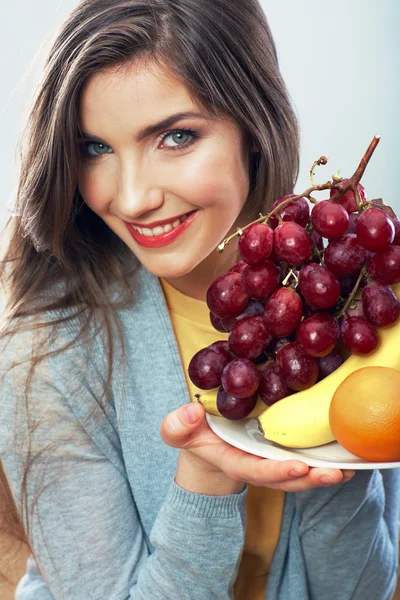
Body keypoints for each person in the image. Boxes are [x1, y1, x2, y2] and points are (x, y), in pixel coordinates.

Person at [0, 0, 398, 598]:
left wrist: (339, 462)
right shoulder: (46, 346)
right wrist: (206, 479)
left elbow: (362, 588)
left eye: (176, 137)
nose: (132, 199)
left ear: (254, 125)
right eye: (95, 148)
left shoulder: (343, 295)